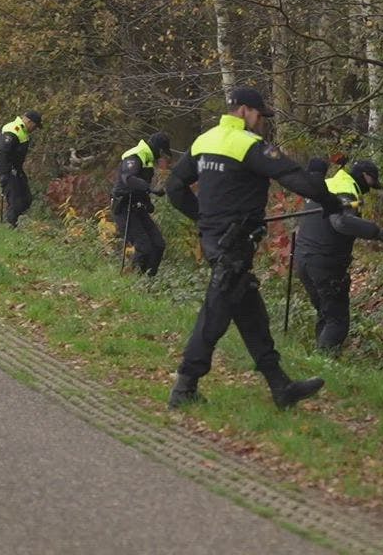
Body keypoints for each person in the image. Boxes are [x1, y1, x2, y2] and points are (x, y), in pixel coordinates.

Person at [165, 87, 343, 410]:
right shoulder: (249, 146)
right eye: (260, 115)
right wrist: (331, 202)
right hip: (233, 247)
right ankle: (184, 387)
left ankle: (281, 387)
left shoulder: (203, 141)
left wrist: (203, 219)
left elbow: (174, 188)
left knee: (252, 317)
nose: (262, 123)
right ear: (245, 110)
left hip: (216, 243)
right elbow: (295, 178)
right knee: (213, 317)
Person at [293, 159, 383, 355]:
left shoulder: (327, 183)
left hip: (303, 260)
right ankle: (324, 366)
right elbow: (341, 222)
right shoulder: (345, 189)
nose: (370, 189)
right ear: (366, 177)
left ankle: (318, 362)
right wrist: (376, 232)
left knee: (325, 313)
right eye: (372, 184)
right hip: (325, 263)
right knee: (337, 321)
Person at [111, 131, 171, 276]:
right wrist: (150, 189)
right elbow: (129, 178)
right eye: (162, 153)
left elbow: (141, 186)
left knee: (158, 245)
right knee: (144, 246)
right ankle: (134, 282)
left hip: (138, 207)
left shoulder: (148, 159)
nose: (162, 157)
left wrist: (148, 201)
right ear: (158, 149)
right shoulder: (135, 156)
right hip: (123, 207)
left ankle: (148, 282)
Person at [0, 110, 42, 228]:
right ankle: (9, 225)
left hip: (16, 169)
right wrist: (4, 173)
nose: (34, 129)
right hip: (7, 169)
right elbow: (1, 153)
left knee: (26, 198)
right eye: (34, 126)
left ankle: (12, 221)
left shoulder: (22, 131)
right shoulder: (12, 130)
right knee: (15, 200)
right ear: (28, 121)